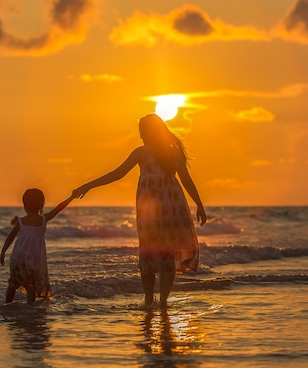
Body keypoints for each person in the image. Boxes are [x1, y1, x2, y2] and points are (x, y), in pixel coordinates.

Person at [73, 113, 207, 307]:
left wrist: (200, 204)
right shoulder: (150, 152)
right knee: (157, 253)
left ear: (152, 131)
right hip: (166, 209)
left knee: (152, 253)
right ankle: (157, 302)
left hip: (158, 210)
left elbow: (185, 179)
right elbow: (118, 174)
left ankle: (154, 302)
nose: (141, 135)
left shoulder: (155, 153)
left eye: (143, 131)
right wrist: (89, 186)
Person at [0, 189, 73, 304]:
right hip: (34, 261)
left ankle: (7, 305)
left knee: (13, 284)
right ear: (41, 204)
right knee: (31, 287)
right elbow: (58, 208)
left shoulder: (21, 221)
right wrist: (71, 197)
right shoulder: (43, 219)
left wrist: (3, 251)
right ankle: (31, 310)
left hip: (18, 258)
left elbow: (10, 236)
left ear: (24, 204)